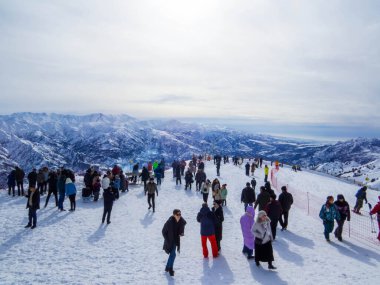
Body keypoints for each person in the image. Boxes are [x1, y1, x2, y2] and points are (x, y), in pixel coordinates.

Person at [162, 209, 187, 276]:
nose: (179, 216)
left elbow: (184, 222)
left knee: (172, 254)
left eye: (180, 214)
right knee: (173, 254)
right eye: (178, 214)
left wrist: (181, 232)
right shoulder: (169, 222)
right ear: (174, 215)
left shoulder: (180, 220)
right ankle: (170, 269)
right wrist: (167, 240)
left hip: (176, 240)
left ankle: (167, 267)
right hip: (170, 241)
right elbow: (163, 232)